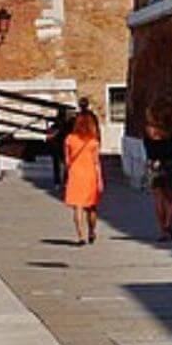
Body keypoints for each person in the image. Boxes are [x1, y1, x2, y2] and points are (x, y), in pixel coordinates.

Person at [63, 97, 104, 244]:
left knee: (77, 206)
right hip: (90, 174)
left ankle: (80, 236)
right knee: (91, 206)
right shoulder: (93, 142)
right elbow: (96, 162)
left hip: (75, 173)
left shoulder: (69, 139)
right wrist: (100, 180)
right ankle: (92, 231)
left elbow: (67, 160)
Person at [142, 109, 172, 241]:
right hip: (170, 163)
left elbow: (147, 146)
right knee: (171, 198)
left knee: (159, 198)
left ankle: (162, 230)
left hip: (154, 165)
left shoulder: (148, 129)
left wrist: (154, 157)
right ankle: (168, 225)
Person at [44, 108, 74, 189]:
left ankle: (58, 182)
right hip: (64, 145)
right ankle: (65, 182)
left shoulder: (56, 125)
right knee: (66, 164)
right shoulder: (69, 124)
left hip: (57, 145)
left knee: (57, 164)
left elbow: (50, 135)